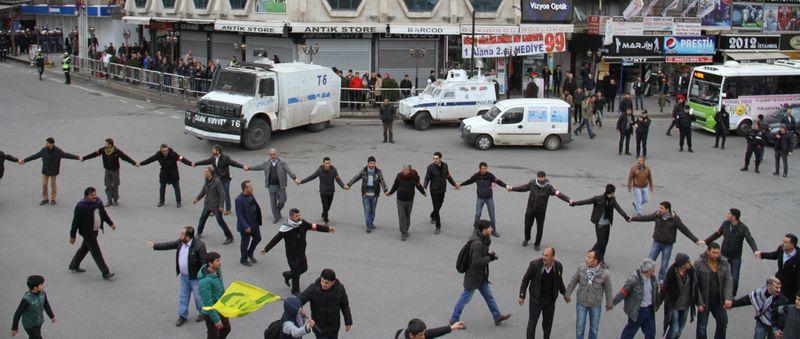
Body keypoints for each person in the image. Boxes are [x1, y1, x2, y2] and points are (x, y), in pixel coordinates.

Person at [449, 220, 511, 326]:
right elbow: (476, 261)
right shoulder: (477, 243)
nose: (491, 229)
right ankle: (454, 319)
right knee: (465, 298)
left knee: (488, 296)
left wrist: (489, 255)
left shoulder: (483, 239)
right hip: (474, 276)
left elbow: (480, 256)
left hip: (481, 276)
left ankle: (497, 316)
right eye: (490, 227)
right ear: (484, 230)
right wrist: (489, 258)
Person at [261, 208, 336, 294]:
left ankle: (288, 274)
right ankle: (295, 290)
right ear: (291, 217)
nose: (299, 217)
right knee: (296, 272)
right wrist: (266, 249)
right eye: (296, 216)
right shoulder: (285, 228)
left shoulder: (302, 223)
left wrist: (327, 229)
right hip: (292, 255)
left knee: (304, 268)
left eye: (299, 215)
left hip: (301, 253)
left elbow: (314, 226)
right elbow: (275, 240)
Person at [147, 226, 208, 326]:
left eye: (182, 234)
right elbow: (169, 245)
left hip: (195, 278)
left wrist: (204, 277)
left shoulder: (199, 246)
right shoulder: (180, 242)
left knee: (198, 297)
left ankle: (202, 313)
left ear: (188, 237)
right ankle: (182, 315)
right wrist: (155, 245)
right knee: (183, 296)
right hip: (184, 276)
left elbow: (204, 263)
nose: (180, 236)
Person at [631, 201, 703, 282]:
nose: (659, 209)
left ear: (667, 209)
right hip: (657, 242)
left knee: (664, 264)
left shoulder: (675, 219)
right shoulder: (657, 215)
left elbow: (685, 230)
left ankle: (661, 280)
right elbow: (646, 218)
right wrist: (633, 218)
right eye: (659, 207)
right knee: (649, 261)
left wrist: (696, 240)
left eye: (662, 208)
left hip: (667, 245)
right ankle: (643, 277)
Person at [507, 171, 572, 249]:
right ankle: (527, 238)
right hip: (530, 209)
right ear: (537, 177)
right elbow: (523, 187)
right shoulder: (532, 183)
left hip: (541, 211)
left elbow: (558, 194)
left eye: (542, 178)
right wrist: (513, 189)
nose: (540, 179)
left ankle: (537, 244)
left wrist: (568, 200)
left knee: (539, 228)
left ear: (544, 178)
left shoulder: (549, 187)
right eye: (539, 178)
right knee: (527, 225)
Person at [703, 208, 758, 296]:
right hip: (724, 254)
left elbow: (750, 239)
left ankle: (732, 295)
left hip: (735, 257)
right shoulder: (725, 224)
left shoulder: (743, 228)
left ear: (734, 217)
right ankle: (719, 292)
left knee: (734, 278)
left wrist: (755, 250)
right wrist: (706, 242)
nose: (727, 215)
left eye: (729, 214)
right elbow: (717, 233)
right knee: (720, 274)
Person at [571, 184, 630, 266]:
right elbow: (586, 201)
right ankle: (592, 254)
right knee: (600, 242)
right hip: (599, 225)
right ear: (612, 192)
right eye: (614, 192)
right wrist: (575, 203)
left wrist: (625, 216)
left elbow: (618, 208)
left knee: (605, 243)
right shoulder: (598, 199)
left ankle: (600, 258)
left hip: (607, 225)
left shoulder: (612, 199)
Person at [68, 187, 117, 280]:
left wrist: (111, 224)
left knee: (84, 248)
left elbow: (104, 214)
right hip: (87, 232)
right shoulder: (81, 206)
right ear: (86, 196)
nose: (94, 196)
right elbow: (75, 222)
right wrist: (72, 236)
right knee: (96, 252)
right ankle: (105, 272)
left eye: (95, 194)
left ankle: (74, 265)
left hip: (95, 231)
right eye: (92, 195)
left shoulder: (98, 202)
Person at [564, 249, 613, 339]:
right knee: (580, 328)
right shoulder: (581, 268)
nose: (586, 259)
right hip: (581, 302)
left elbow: (608, 289)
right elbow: (573, 280)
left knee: (594, 329)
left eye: (589, 257)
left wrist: (609, 303)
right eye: (587, 256)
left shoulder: (604, 273)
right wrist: (567, 294)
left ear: (596, 260)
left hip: (595, 304)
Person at [518, 246, 566, 339]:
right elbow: (525, 280)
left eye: (547, 255)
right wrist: (522, 295)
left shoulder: (558, 266)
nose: (544, 257)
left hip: (550, 301)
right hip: (536, 300)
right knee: (532, 323)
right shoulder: (534, 265)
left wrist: (565, 293)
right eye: (543, 254)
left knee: (547, 325)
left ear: (553, 257)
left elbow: (559, 281)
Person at [20, 137, 81, 205]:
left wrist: (78, 157)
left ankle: (53, 199)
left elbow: (67, 155)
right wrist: (25, 160)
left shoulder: (58, 151)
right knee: (44, 184)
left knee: (53, 185)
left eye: (47, 143)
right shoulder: (44, 150)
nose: (46, 144)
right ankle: (45, 198)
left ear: (51, 144)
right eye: (46, 143)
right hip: (45, 170)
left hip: (53, 171)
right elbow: (35, 156)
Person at [455, 162, 509, 237]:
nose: (485, 170)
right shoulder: (476, 176)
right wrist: (460, 184)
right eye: (483, 169)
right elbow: (469, 181)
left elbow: (498, 181)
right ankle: (476, 228)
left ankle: (493, 230)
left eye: (486, 169)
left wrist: (506, 186)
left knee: (492, 215)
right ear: (480, 169)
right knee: (478, 214)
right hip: (480, 198)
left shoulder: (490, 175)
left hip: (489, 198)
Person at [247, 148, 299, 223]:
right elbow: (257, 167)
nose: (272, 156)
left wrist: (295, 178)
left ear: (277, 154)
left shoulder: (282, 163)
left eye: (274, 154)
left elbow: (289, 171)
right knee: (273, 202)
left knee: (283, 200)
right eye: (271, 154)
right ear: (269, 155)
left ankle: (277, 211)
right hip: (271, 186)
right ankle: (276, 217)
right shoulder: (266, 163)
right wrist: (249, 168)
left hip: (281, 186)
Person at [613, 258, 661, 339]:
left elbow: (655, 293)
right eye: (653, 268)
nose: (654, 270)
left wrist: (657, 304)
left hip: (649, 310)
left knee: (650, 334)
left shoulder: (652, 279)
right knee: (630, 332)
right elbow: (623, 292)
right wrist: (612, 303)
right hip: (638, 311)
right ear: (648, 270)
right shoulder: (634, 280)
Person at [298, 269, 353, 339]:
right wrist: (301, 307)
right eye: (322, 281)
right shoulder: (313, 289)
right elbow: (300, 299)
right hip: (319, 327)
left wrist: (348, 322)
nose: (323, 284)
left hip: (334, 327)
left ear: (333, 282)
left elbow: (345, 306)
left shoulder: (340, 289)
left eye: (327, 283)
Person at [694, 242, 734, 339]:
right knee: (702, 327)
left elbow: (729, 280)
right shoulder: (699, 263)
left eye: (718, 252)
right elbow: (694, 285)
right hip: (704, 301)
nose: (716, 255)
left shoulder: (724, 262)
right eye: (713, 252)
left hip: (719, 301)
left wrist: (728, 298)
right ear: (708, 251)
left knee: (723, 324)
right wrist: (699, 302)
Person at [82, 138, 137, 206]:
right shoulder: (102, 150)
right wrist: (84, 158)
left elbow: (125, 157)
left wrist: (134, 163)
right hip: (107, 170)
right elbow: (94, 154)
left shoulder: (116, 151)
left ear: (110, 145)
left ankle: (115, 199)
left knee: (115, 185)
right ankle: (109, 199)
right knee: (107, 185)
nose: (105, 144)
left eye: (106, 143)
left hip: (115, 171)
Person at [194, 145, 245, 215]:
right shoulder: (213, 158)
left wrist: (243, 166)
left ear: (218, 151)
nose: (212, 151)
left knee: (226, 194)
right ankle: (214, 210)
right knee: (215, 194)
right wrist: (196, 164)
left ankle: (228, 209)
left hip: (225, 179)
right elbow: (205, 161)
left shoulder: (225, 158)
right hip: (217, 179)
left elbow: (234, 163)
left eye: (214, 150)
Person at [345, 156, 388, 233]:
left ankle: (371, 222)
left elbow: (382, 181)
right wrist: (349, 184)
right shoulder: (364, 171)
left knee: (373, 211)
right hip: (365, 195)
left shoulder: (378, 171)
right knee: (367, 210)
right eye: (371, 163)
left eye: (374, 163)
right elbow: (356, 177)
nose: (372, 164)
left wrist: (385, 190)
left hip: (374, 195)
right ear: (368, 163)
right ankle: (368, 225)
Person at [662, 253, 699, 339]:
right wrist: (657, 302)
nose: (690, 263)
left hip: (685, 306)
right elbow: (664, 289)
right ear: (682, 264)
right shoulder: (671, 273)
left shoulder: (691, 271)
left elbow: (695, 288)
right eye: (688, 262)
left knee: (679, 331)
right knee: (675, 329)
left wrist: (699, 303)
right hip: (674, 306)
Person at [193, 168, 234, 245]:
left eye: (206, 172)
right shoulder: (206, 180)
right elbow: (204, 190)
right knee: (202, 219)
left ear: (211, 173)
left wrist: (221, 206)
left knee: (220, 222)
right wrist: (197, 198)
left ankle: (229, 237)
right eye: (204, 171)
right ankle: (199, 233)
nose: (205, 173)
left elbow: (223, 194)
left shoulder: (217, 182)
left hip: (216, 206)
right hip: (207, 204)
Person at [299, 157, 345, 223]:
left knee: (328, 206)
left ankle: (324, 213)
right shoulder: (320, 170)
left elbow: (338, 179)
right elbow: (312, 176)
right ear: (323, 163)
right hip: (323, 191)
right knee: (325, 205)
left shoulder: (333, 170)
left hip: (331, 191)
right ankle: (325, 218)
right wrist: (301, 181)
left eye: (329, 163)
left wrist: (343, 186)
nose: (327, 165)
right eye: (326, 163)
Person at [387, 164, 426, 241]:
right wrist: (390, 192)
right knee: (402, 216)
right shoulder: (399, 176)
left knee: (407, 216)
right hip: (400, 200)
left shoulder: (414, 177)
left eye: (404, 170)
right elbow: (395, 185)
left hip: (410, 200)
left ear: (409, 171)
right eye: (403, 169)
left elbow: (418, 185)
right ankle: (403, 233)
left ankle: (406, 229)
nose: (403, 171)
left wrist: (423, 192)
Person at [756, 234, 799, 300]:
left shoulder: (798, 258)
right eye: (783, 241)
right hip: (778, 282)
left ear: (792, 245)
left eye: (785, 242)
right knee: (769, 299)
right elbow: (774, 255)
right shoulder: (781, 249)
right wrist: (762, 255)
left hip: (790, 288)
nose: (783, 244)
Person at [198, 252, 230, 339]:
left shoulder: (217, 270)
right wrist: (216, 320)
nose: (220, 262)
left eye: (220, 260)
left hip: (220, 306)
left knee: (226, 328)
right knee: (213, 336)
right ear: (210, 263)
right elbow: (208, 304)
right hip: (211, 312)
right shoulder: (204, 282)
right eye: (217, 261)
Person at [424, 152, 456, 234]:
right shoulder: (430, 167)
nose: (435, 160)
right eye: (434, 158)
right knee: (436, 208)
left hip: (442, 189)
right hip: (434, 190)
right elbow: (427, 178)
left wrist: (454, 184)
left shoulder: (445, 165)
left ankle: (432, 215)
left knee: (439, 205)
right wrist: (424, 187)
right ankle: (438, 226)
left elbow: (448, 176)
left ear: (440, 159)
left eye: (436, 158)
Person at [235, 180, 261, 266]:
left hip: (254, 223)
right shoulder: (239, 199)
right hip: (245, 226)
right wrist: (246, 226)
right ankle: (243, 259)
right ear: (245, 188)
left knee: (258, 238)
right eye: (250, 186)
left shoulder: (250, 195)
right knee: (244, 244)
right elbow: (239, 215)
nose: (252, 188)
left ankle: (250, 253)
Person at [394, 319, 465, 339]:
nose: (423, 336)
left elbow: (432, 332)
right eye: (420, 335)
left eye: (423, 333)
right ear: (412, 335)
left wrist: (451, 328)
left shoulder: (413, 331)